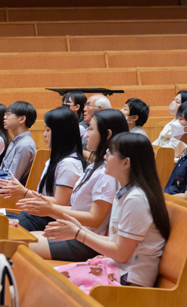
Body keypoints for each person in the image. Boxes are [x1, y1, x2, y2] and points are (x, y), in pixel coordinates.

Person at [45, 132, 171, 288]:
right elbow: (115, 241)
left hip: (128, 279)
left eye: (111, 152)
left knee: (55, 286)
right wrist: (78, 230)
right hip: (116, 267)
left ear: (126, 163)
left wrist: (78, 234)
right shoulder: (125, 192)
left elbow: (121, 253)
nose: (105, 155)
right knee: (47, 277)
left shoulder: (136, 199)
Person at [24, 109, 129, 261]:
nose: (86, 134)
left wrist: (52, 209)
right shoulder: (95, 166)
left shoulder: (107, 174)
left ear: (107, 134)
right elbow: (76, 208)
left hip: (87, 242)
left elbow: (95, 219)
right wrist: (48, 207)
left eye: (91, 129)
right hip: (74, 233)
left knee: (18, 245)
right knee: (17, 236)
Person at [3, 107, 87, 231]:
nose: (44, 134)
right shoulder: (56, 159)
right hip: (37, 216)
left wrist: (25, 193)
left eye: (48, 130)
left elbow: (59, 203)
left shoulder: (69, 164)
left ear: (61, 133)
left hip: (49, 221)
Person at [153, 90, 187, 158]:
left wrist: (154, 152)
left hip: (169, 160)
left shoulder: (185, 125)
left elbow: (173, 149)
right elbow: (158, 141)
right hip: (160, 155)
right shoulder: (173, 121)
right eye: (173, 99)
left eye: (177, 101)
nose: (173, 103)